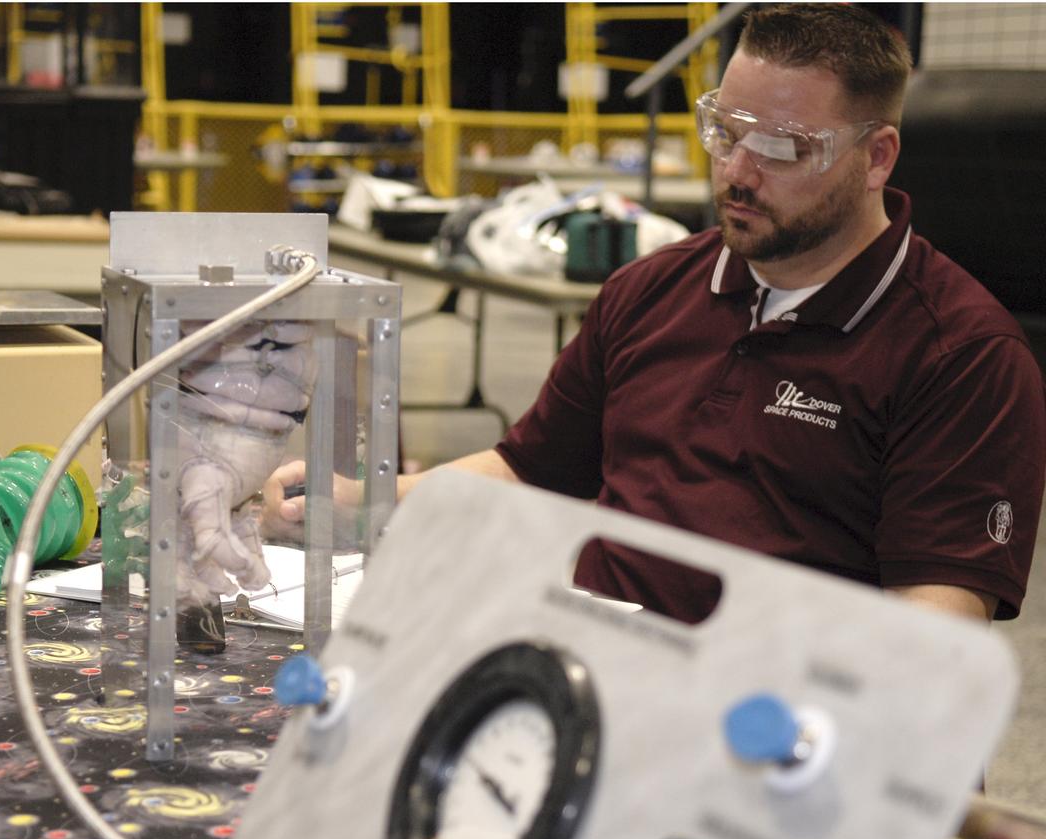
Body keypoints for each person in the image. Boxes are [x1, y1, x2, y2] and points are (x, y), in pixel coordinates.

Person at [265, 4, 1046, 627]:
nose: (736, 172)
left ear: (877, 157)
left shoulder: (961, 357)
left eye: (781, 149)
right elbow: (527, 469)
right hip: (600, 663)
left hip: (777, 723)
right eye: (724, 132)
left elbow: (933, 633)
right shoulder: (652, 290)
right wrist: (366, 499)